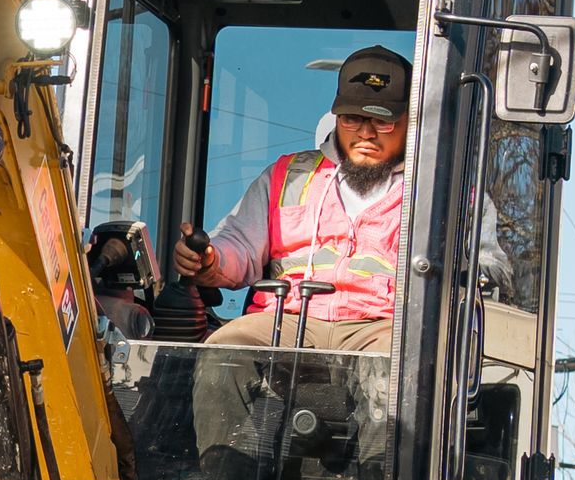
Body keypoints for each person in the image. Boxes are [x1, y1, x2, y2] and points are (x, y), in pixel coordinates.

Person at [173, 47, 412, 352]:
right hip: (285, 319)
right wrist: (210, 259)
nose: (365, 133)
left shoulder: (434, 190)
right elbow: (240, 243)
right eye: (352, 118)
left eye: (382, 121)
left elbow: (485, 266)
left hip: (380, 326)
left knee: (400, 369)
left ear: (410, 122)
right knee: (224, 349)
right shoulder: (288, 175)